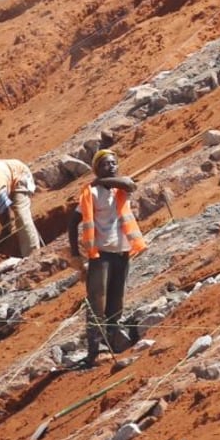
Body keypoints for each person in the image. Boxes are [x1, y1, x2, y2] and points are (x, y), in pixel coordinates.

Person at [74, 149, 147, 359]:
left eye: (114, 163)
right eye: (106, 164)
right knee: (97, 301)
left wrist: (105, 180)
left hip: (122, 252)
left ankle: (113, 341)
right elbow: (73, 223)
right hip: (101, 254)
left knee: (117, 299)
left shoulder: (119, 189)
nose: (111, 167)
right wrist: (75, 252)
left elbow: (130, 184)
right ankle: (94, 350)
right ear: (96, 169)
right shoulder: (91, 194)